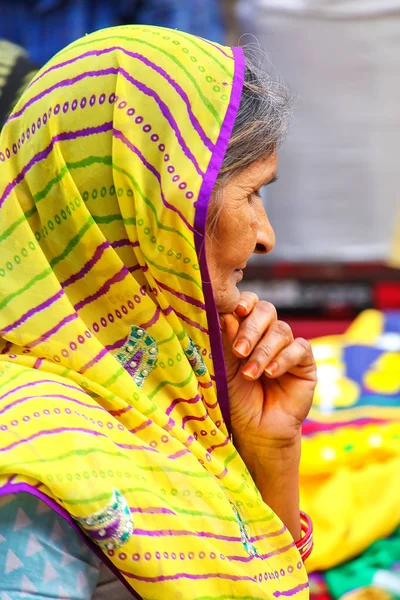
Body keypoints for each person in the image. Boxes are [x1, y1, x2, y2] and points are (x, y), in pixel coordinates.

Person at [0, 25, 317, 599]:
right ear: (157, 207)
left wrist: (272, 450)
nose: (266, 235)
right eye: (251, 194)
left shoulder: (157, 397)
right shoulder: (39, 448)